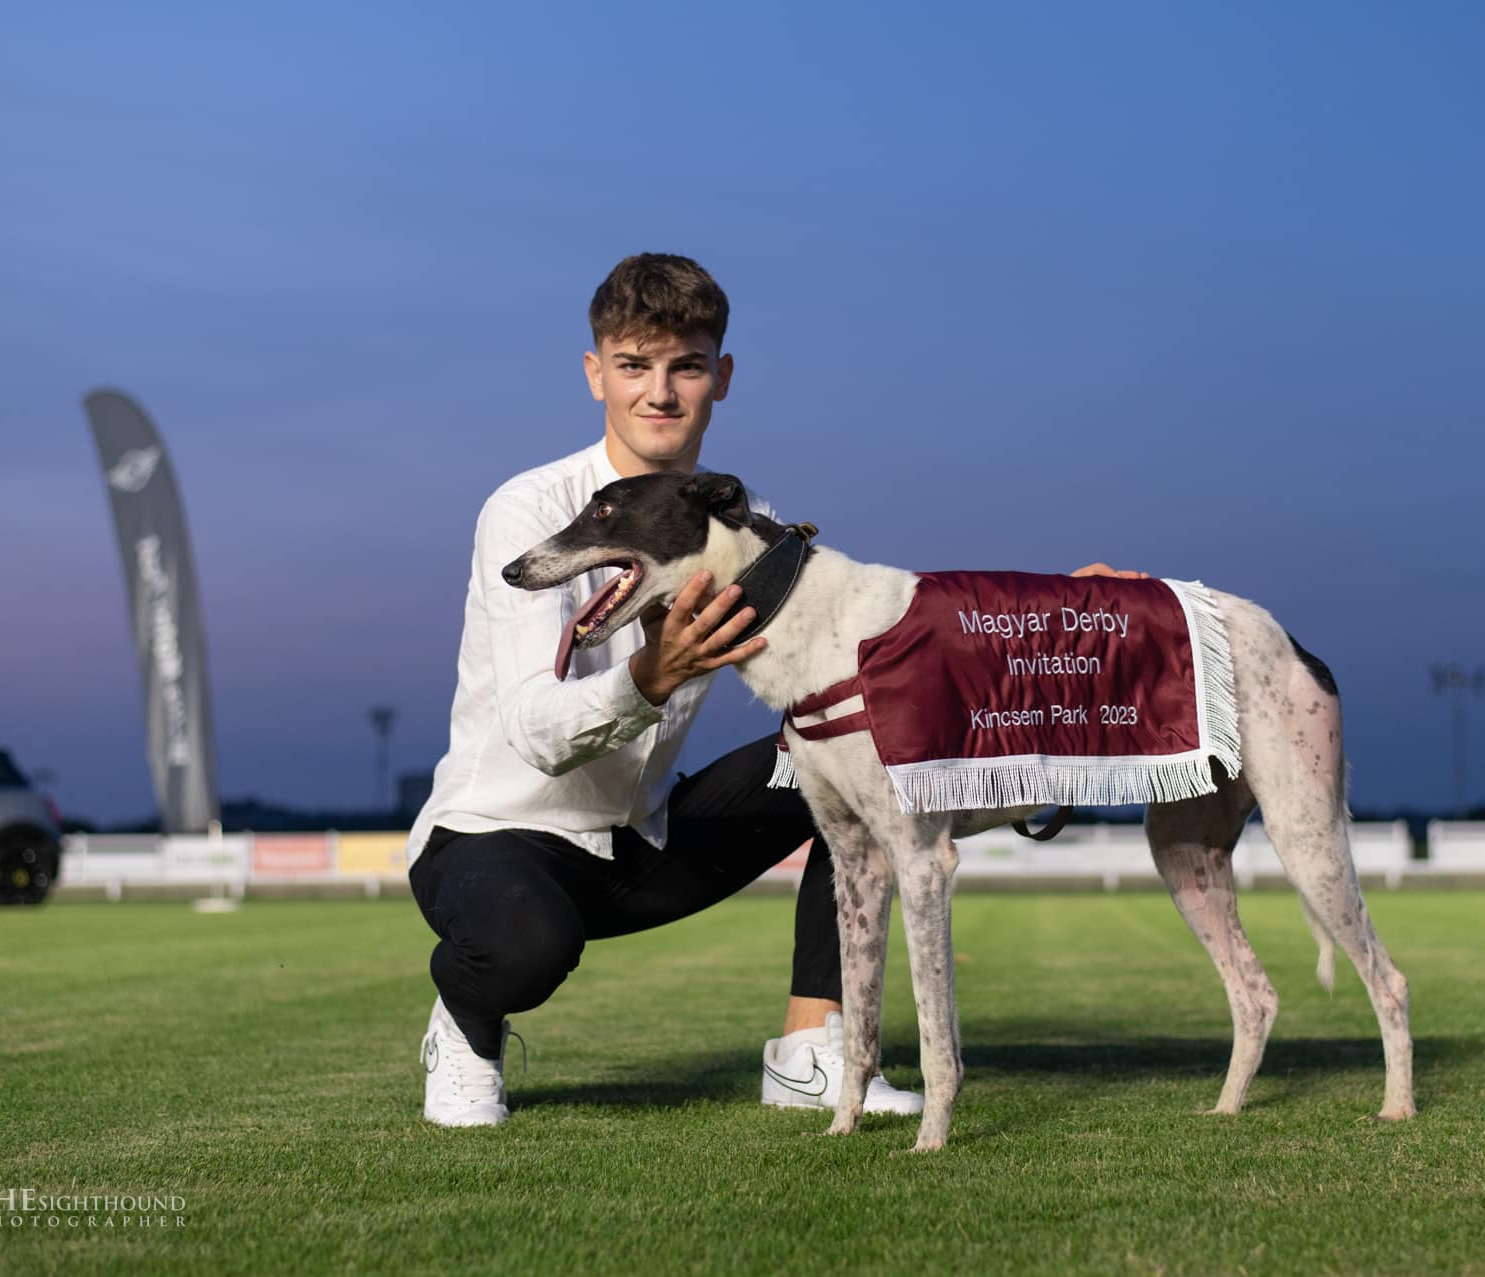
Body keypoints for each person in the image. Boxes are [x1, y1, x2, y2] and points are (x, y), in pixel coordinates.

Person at [408, 253, 1144, 1127]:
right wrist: (649, 678)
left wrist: (1046, 628)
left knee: (848, 745)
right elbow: (532, 730)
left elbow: (873, 655)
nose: (660, 393)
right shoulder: (530, 510)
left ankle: (808, 1049)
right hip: (499, 834)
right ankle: (463, 1025)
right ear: (594, 373)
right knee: (525, 945)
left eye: (685, 366)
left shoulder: (742, 519)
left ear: (721, 377)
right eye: (635, 366)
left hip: (645, 840)